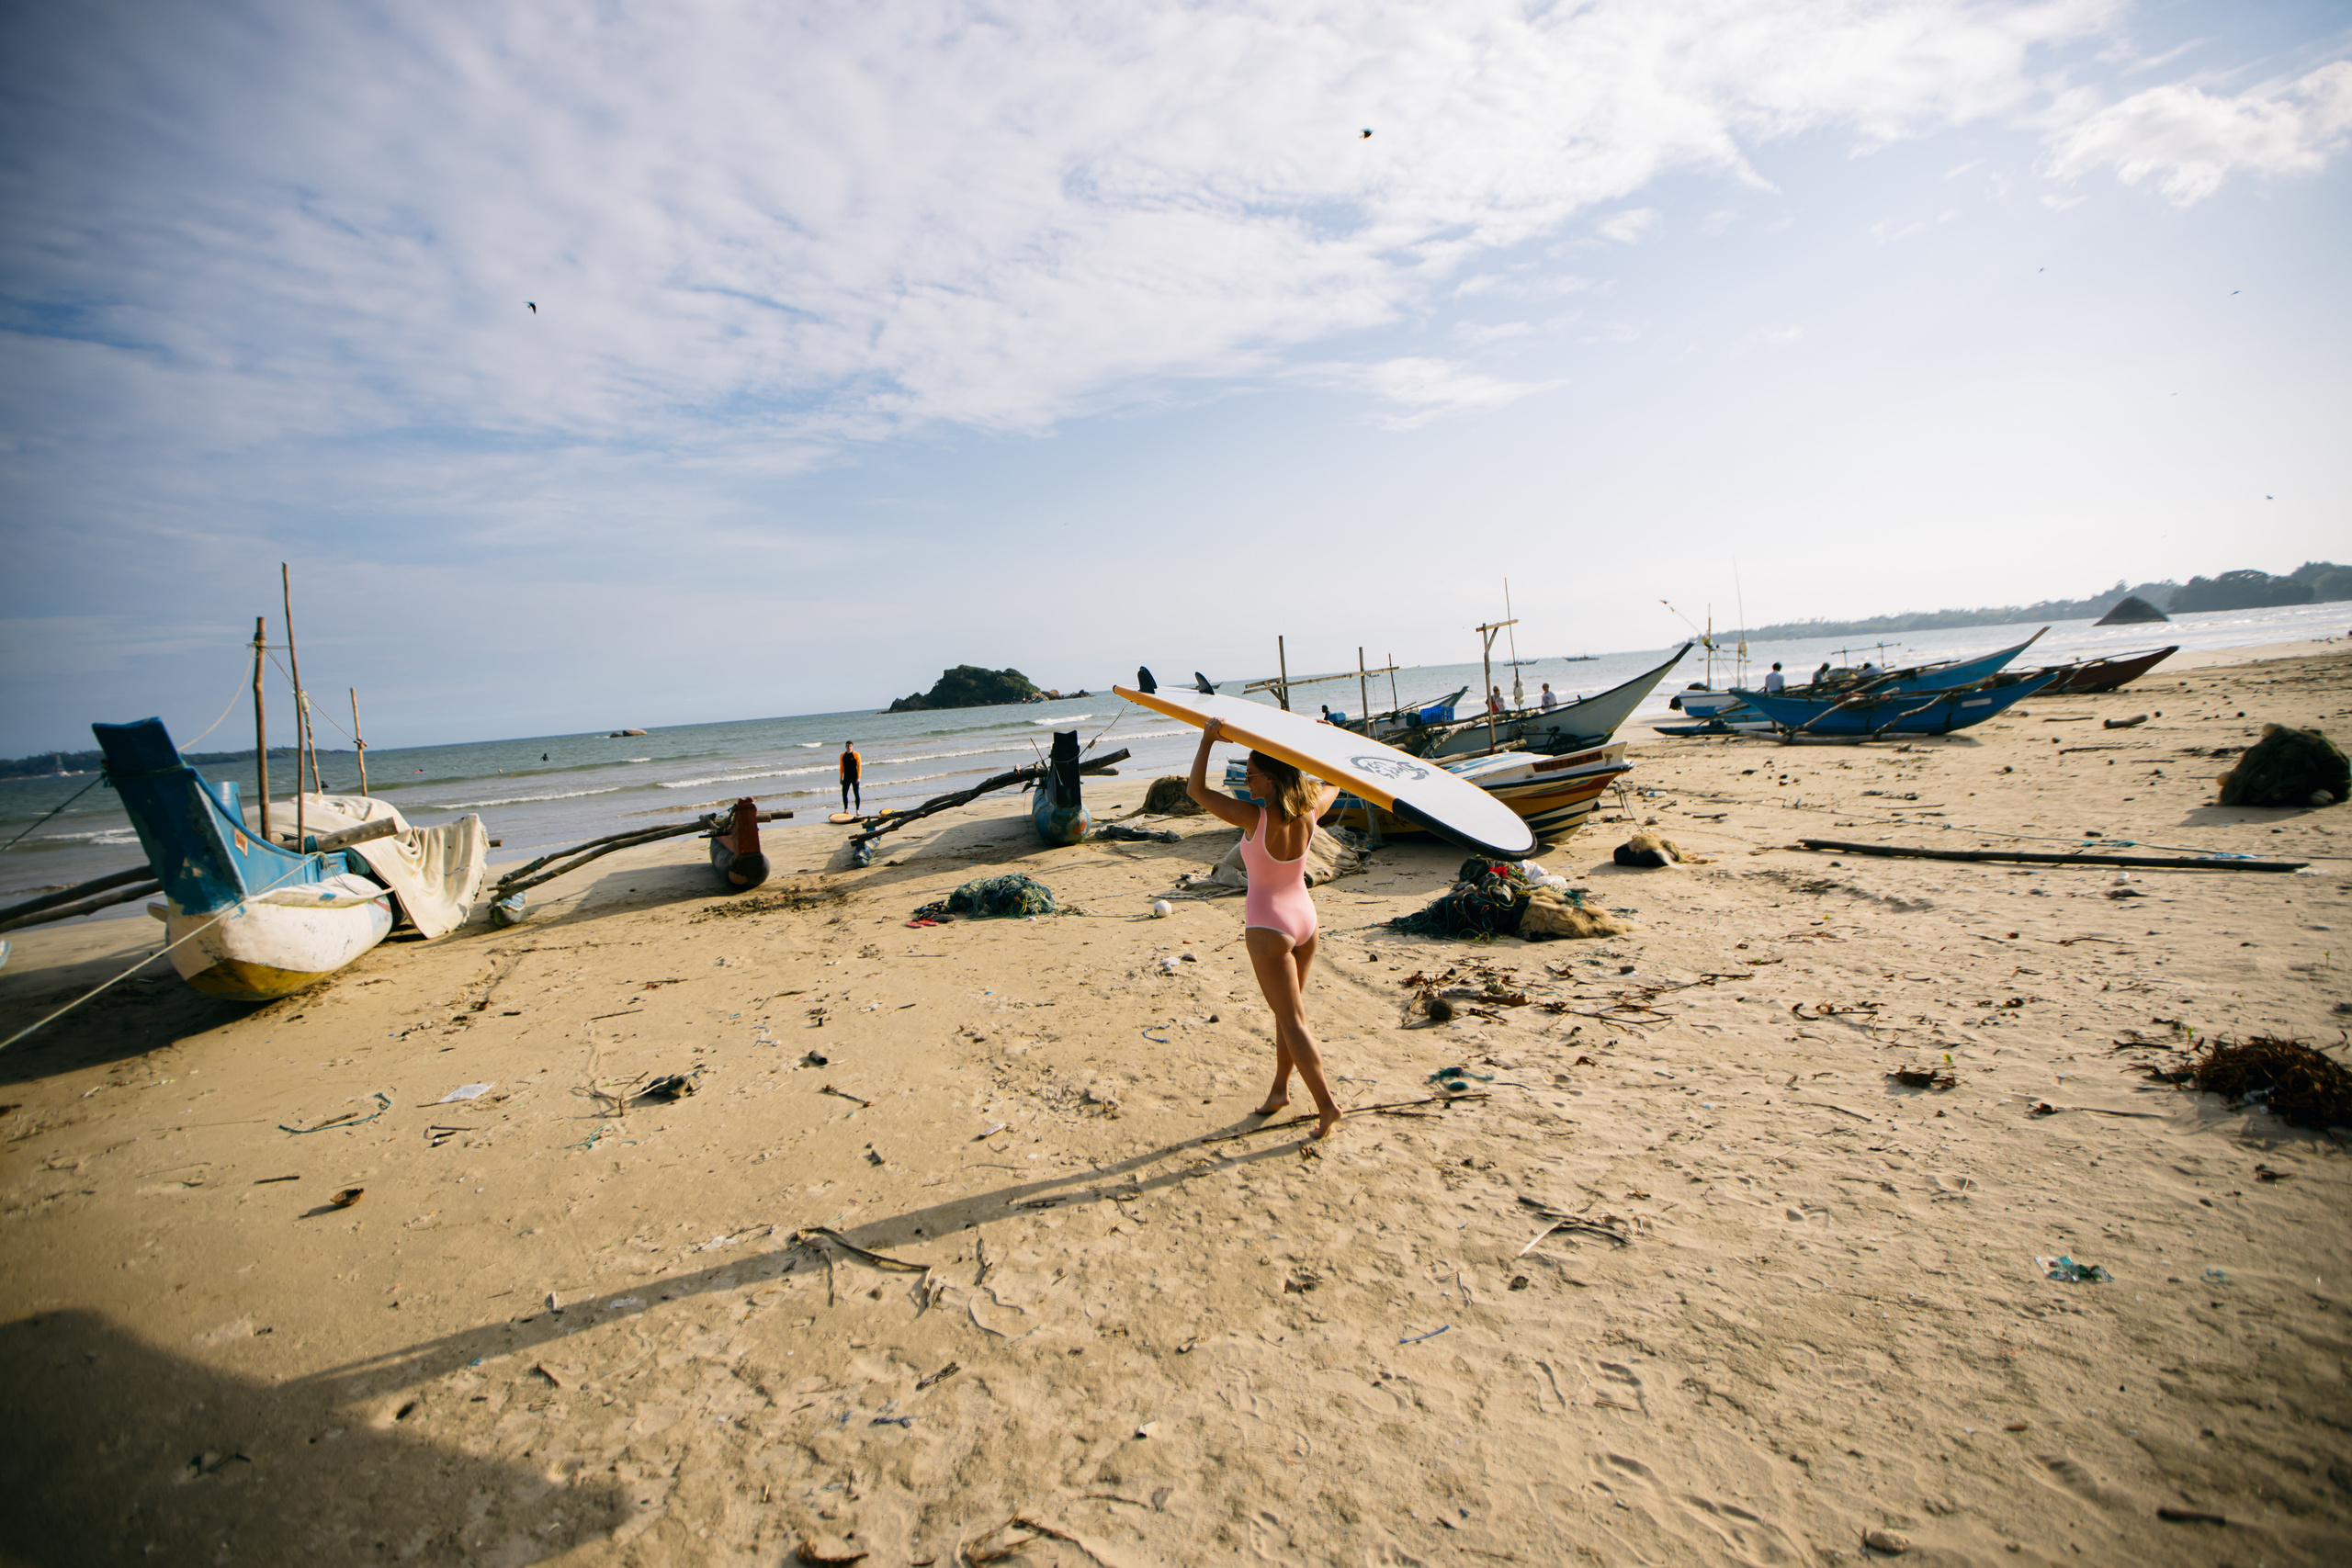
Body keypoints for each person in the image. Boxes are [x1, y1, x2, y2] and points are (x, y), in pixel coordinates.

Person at [1185, 720, 1344, 1138]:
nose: (1244, 778)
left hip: (1269, 925)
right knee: (1288, 1014)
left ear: (1270, 780)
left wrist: (1206, 740)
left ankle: (1327, 1106)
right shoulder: (1311, 809)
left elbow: (1196, 792)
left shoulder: (1254, 818)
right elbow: (1334, 781)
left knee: (1291, 1019)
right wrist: (1324, 739)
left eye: (1250, 773)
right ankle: (1279, 1091)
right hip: (1305, 921)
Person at [838, 742, 862, 813]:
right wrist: (840, 777)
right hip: (846, 777)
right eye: (848, 746)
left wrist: (859, 777)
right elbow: (842, 767)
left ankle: (857, 810)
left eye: (850, 746)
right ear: (845, 746)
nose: (849, 747)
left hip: (854, 776)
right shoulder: (842, 755)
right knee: (844, 793)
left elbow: (859, 766)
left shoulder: (856, 755)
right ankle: (846, 809)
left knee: (856, 793)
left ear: (852, 747)